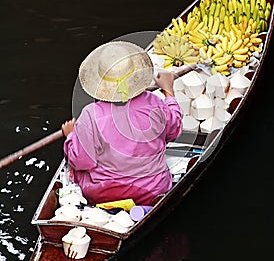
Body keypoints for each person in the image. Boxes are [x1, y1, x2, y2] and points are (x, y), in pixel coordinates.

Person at [62, 41, 183, 206]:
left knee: (76, 168)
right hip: (153, 191)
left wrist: (71, 137)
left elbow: (81, 161)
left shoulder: (90, 115)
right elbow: (173, 131)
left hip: (104, 194)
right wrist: (168, 92)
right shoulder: (155, 103)